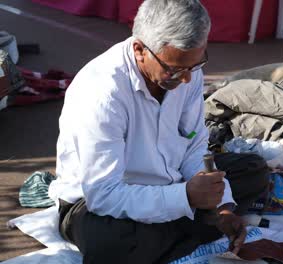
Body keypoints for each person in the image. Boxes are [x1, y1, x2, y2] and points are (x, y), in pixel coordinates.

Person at [49, 0, 269, 263]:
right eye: (174, 69)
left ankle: (185, 231)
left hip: (171, 182)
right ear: (140, 49)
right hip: (99, 203)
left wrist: (221, 206)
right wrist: (186, 197)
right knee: (110, 244)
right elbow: (104, 195)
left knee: (253, 170)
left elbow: (194, 144)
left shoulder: (187, 71)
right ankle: (191, 228)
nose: (186, 79)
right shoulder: (102, 93)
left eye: (195, 65)